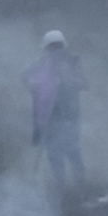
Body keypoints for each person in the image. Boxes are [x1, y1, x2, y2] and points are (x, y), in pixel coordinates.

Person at [25, 28, 86, 202]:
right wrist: (34, 87)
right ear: (47, 48)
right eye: (52, 47)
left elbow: (84, 83)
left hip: (69, 117)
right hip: (48, 119)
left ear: (63, 47)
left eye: (58, 46)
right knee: (55, 156)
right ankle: (61, 194)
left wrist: (67, 79)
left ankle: (81, 192)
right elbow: (25, 76)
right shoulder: (41, 63)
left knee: (73, 154)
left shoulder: (73, 61)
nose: (55, 50)